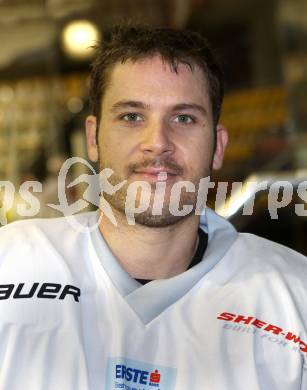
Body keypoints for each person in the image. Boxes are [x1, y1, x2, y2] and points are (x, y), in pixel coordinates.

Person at [0, 24, 306, 390]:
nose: (157, 143)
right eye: (132, 116)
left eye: (184, 118)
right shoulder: (11, 263)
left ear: (218, 145)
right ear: (93, 138)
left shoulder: (294, 295)